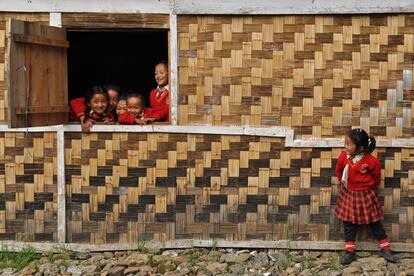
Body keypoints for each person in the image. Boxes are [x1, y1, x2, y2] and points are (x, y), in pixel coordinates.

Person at [335, 128, 396, 265]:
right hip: (348, 194)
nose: (346, 146)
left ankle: (385, 248)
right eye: (345, 143)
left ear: (360, 148)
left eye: (349, 144)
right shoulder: (343, 157)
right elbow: (339, 171)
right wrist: (343, 184)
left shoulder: (371, 161)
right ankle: (349, 251)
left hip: (366, 195)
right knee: (349, 223)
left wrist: (368, 191)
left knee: (374, 222)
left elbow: (376, 178)